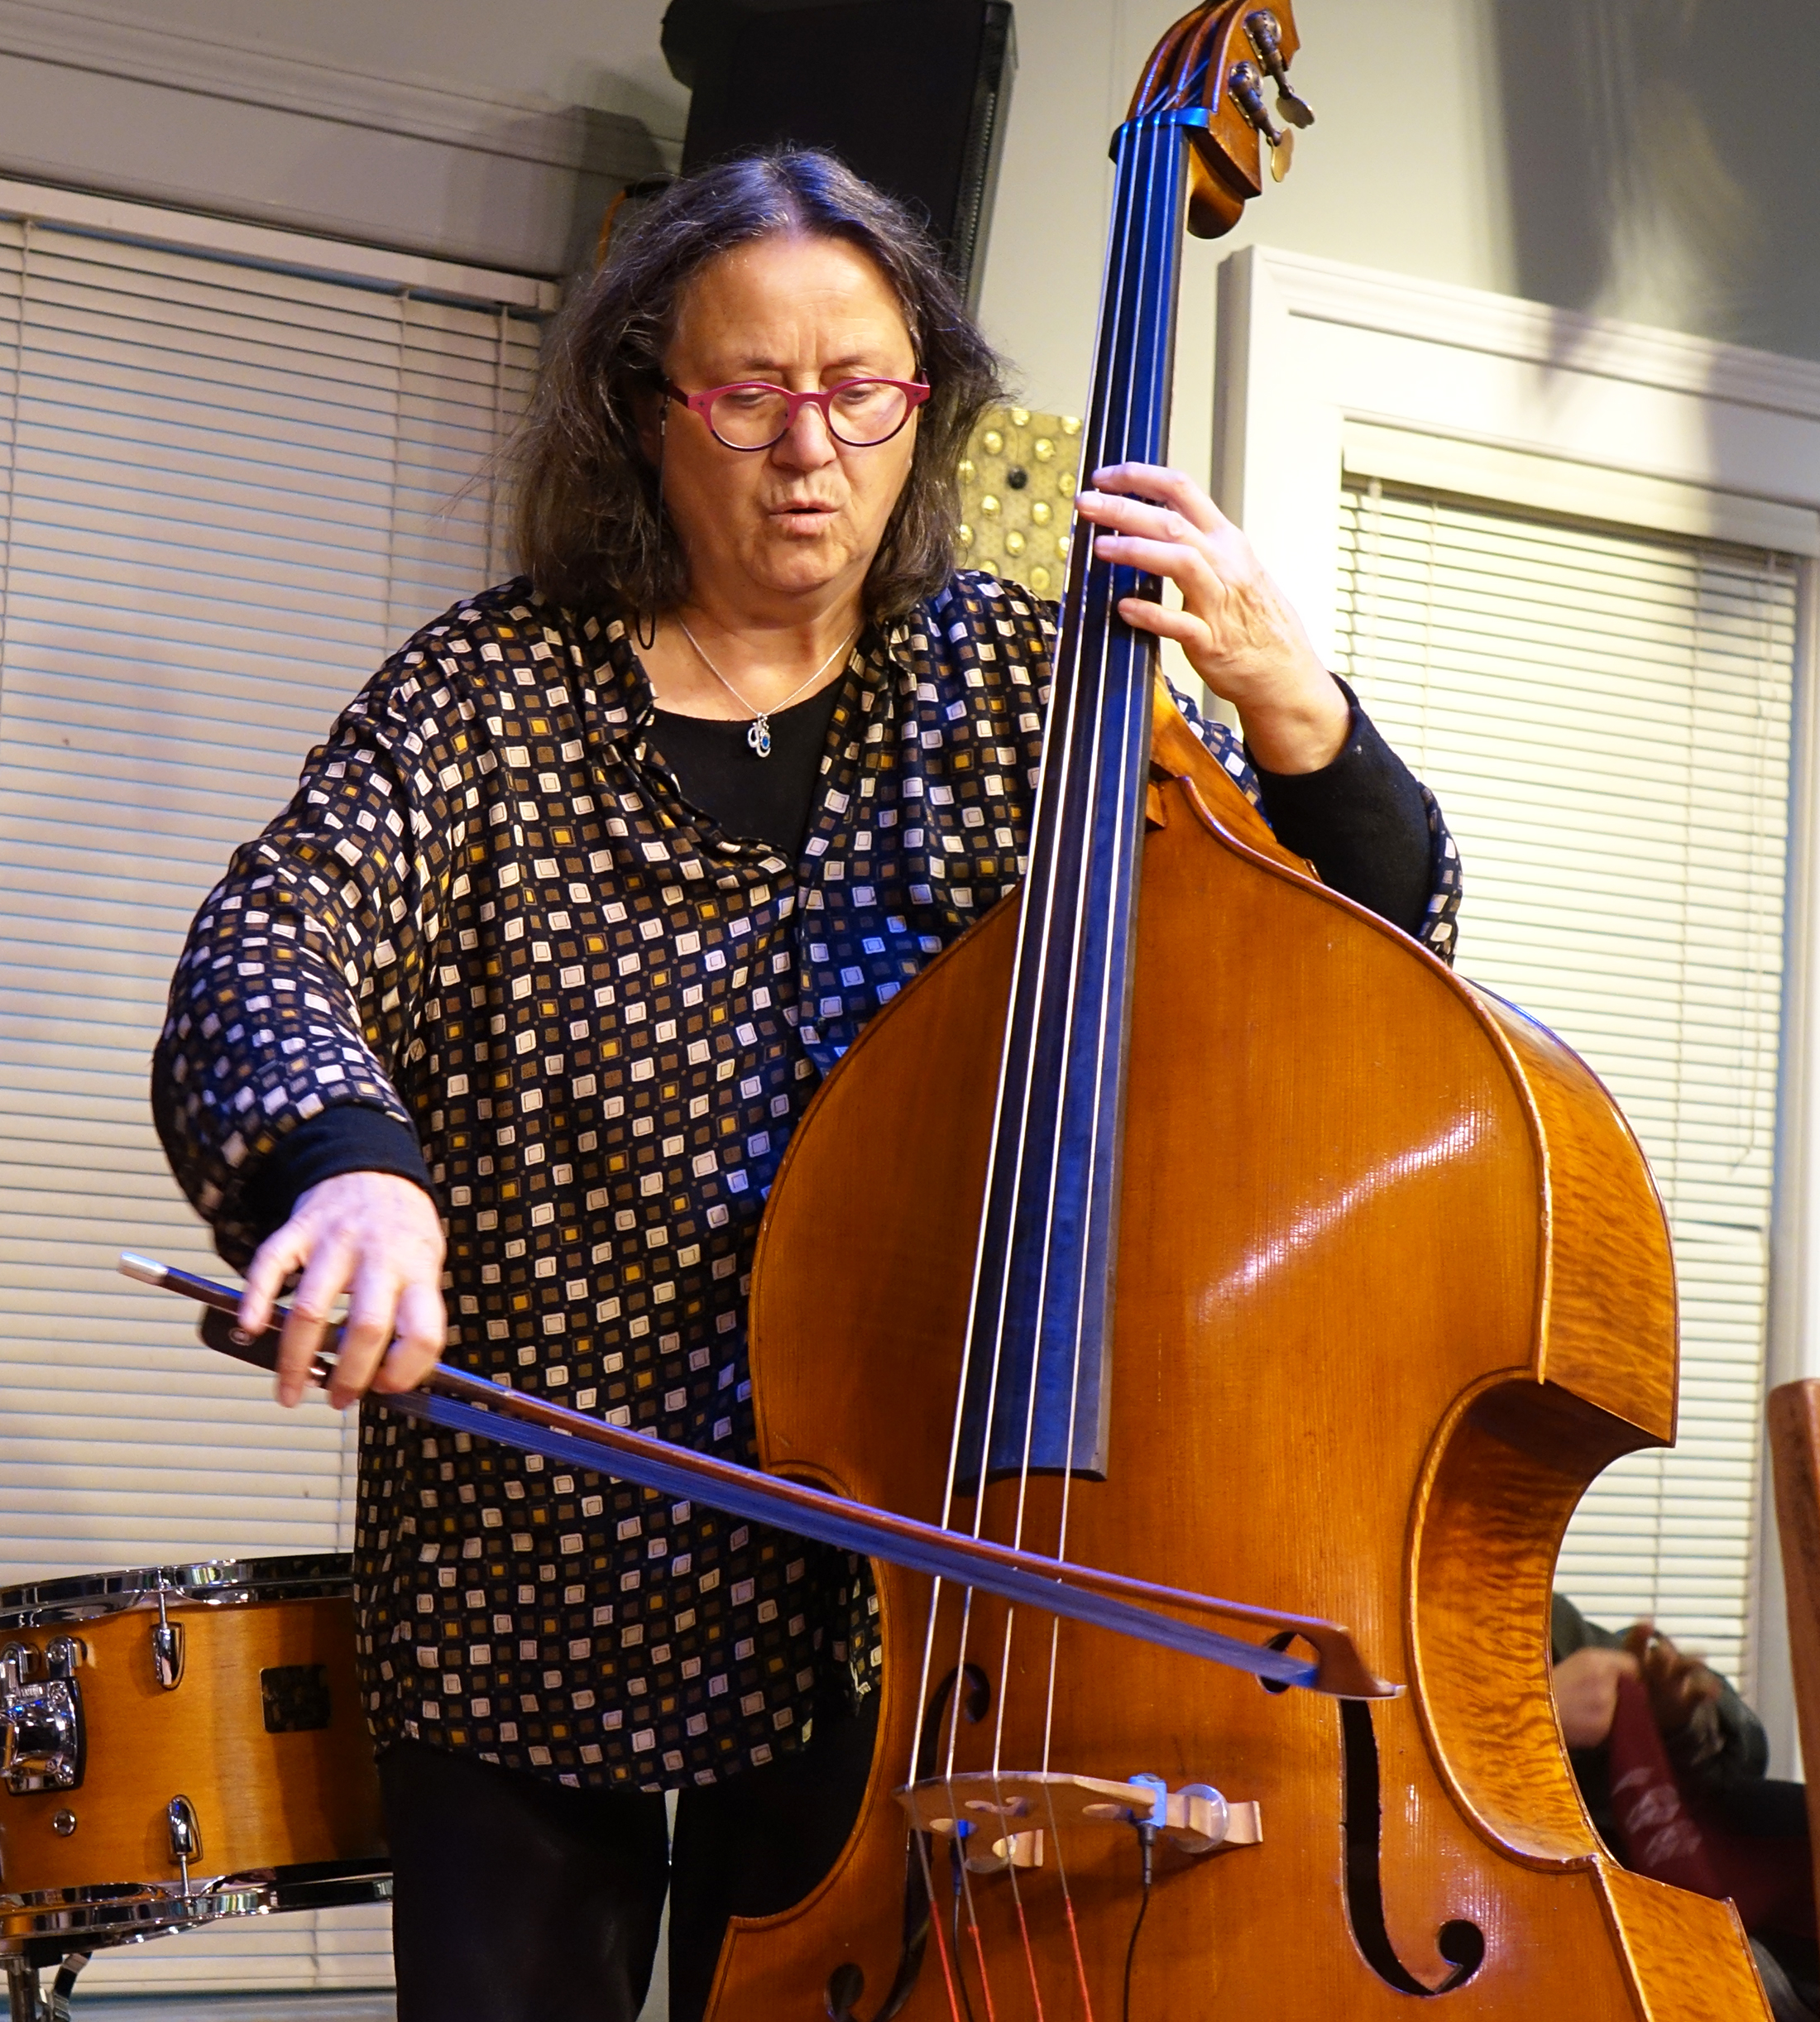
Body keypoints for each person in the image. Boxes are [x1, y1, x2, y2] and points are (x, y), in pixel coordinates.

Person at [151, 149, 1461, 2022]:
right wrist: (350, 1173)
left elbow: (1363, 962)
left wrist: (1292, 702)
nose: (810, 449)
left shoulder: (1017, 699)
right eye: (751, 392)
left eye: (860, 391)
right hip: (522, 1588)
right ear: (643, 410)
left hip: (887, 1614)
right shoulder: (490, 703)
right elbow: (273, 944)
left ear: (921, 406)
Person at [1553, 1594, 1817, 2020]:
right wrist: (1527, 1716)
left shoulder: (1532, 1616)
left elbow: (1744, 1750)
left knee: (1790, 1816)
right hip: (1570, 1911)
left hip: (1640, 1866)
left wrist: (1674, 1721)